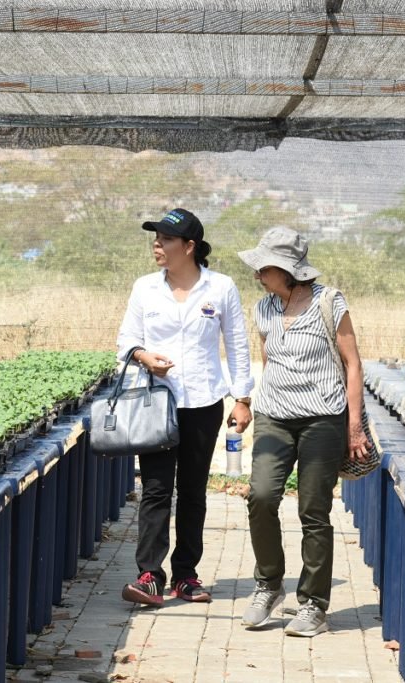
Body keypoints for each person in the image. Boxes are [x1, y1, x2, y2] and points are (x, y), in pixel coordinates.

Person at [116, 208, 254, 606]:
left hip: (204, 401)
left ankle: (186, 576)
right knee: (156, 489)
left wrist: (242, 399)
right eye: (155, 238)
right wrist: (144, 356)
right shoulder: (145, 288)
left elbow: (238, 344)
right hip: (156, 403)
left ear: (190, 247)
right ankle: (149, 575)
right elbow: (126, 340)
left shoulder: (221, 287)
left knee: (193, 490)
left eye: (165, 239)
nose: (157, 246)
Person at [237, 226, 369, 637]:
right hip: (274, 417)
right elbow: (269, 360)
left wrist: (353, 427)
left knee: (314, 511)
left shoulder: (330, 302)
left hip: (322, 420)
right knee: (260, 496)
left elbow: (353, 364)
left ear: (288, 270)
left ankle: (314, 604)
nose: (258, 274)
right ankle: (269, 584)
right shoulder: (263, 308)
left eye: (265, 267)